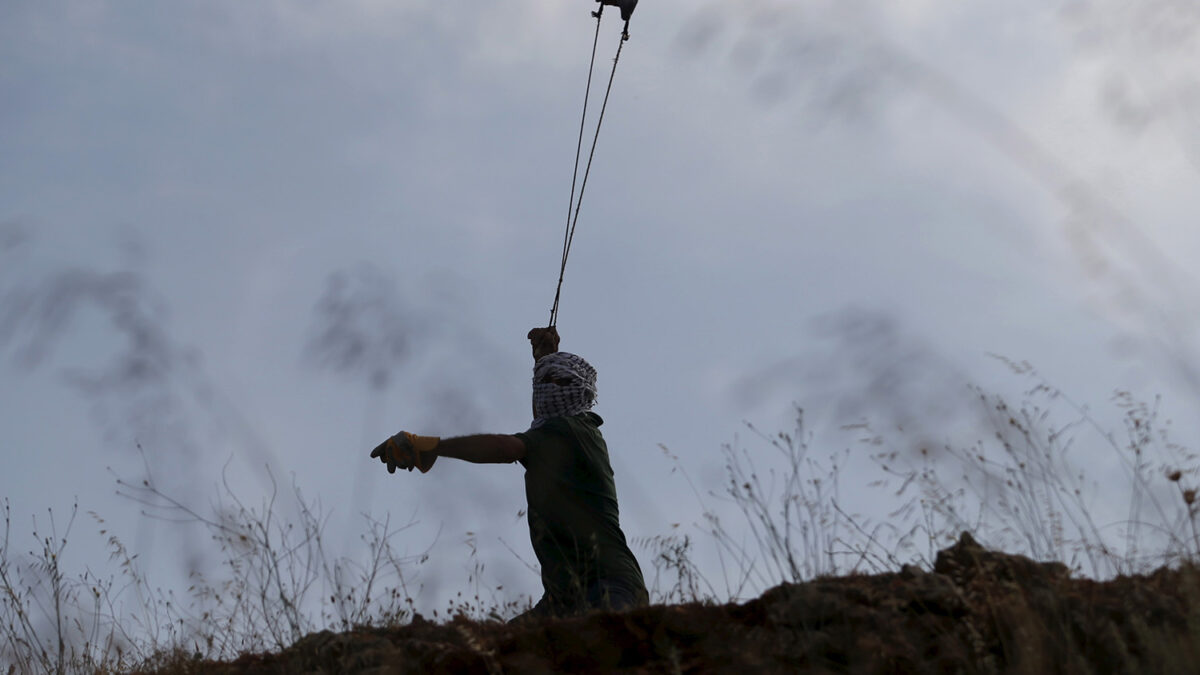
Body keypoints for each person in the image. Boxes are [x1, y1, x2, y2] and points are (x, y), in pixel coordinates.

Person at [369, 326, 648, 622]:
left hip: (607, 586)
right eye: (542, 381)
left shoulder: (567, 430)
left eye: (557, 381)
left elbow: (507, 447)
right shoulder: (573, 432)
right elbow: (541, 417)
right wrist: (545, 358)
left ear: (579, 392)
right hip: (564, 596)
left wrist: (432, 447)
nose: (546, 387)